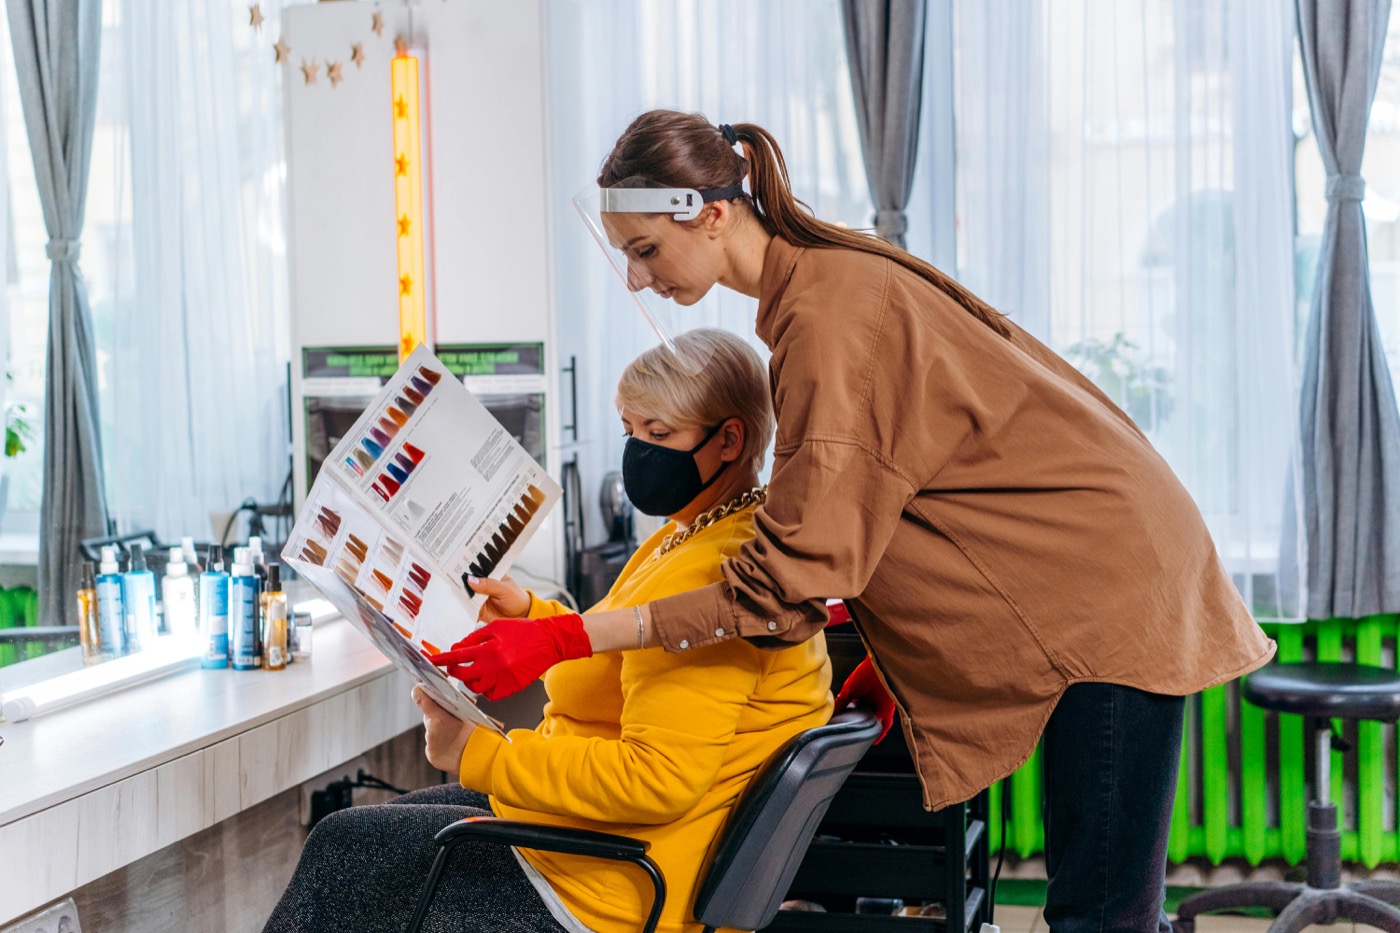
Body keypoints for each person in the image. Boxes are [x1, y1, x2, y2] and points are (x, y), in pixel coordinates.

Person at [438, 110, 1277, 933]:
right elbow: (908, 485)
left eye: (646, 249)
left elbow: (778, 589)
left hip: (1111, 586)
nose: (635, 278)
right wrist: (886, 652)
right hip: (1101, 564)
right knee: (1100, 899)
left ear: (714, 214)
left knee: (1100, 914)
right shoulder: (824, 282)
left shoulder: (826, 318)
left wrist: (563, 637)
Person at [263, 328, 831, 933]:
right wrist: (531, 615)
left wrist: (475, 752)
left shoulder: (713, 578)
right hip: (592, 847)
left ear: (730, 440)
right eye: (630, 430)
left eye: (659, 434)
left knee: (344, 849)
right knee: (362, 840)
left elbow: (655, 778)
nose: (639, 451)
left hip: (605, 889)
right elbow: (616, 651)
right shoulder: (699, 534)